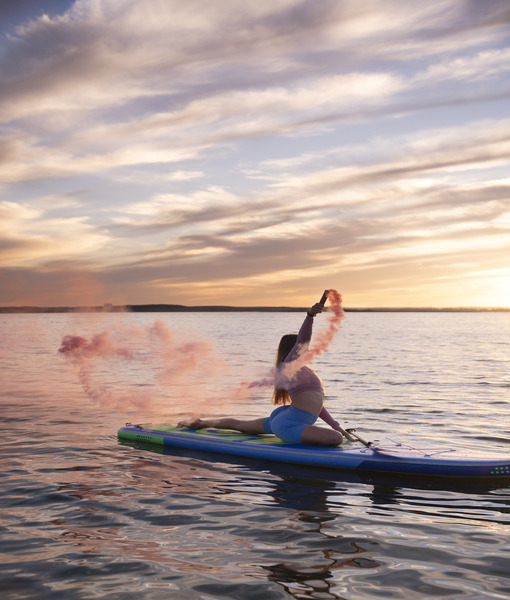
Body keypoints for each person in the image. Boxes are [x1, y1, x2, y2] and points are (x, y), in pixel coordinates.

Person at [178, 301, 356, 446]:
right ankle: (202, 423)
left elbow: (318, 407)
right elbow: (303, 339)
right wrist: (310, 316)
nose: (306, 350)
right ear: (293, 350)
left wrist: (338, 427)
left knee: (240, 425)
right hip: (289, 423)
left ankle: (201, 423)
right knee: (335, 440)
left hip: (287, 417)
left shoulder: (299, 371)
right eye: (301, 348)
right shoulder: (290, 366)